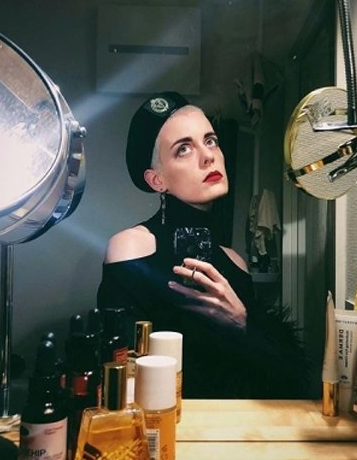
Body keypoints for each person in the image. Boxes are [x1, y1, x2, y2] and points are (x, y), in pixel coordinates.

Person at [97, 91, 305, 398]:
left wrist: (242, 323)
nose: (208, 156)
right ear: (157, 180)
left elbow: (274, 381)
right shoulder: (131, 248)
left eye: (211, 141)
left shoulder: (235, 263)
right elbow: (119, 370)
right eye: (183, 149)